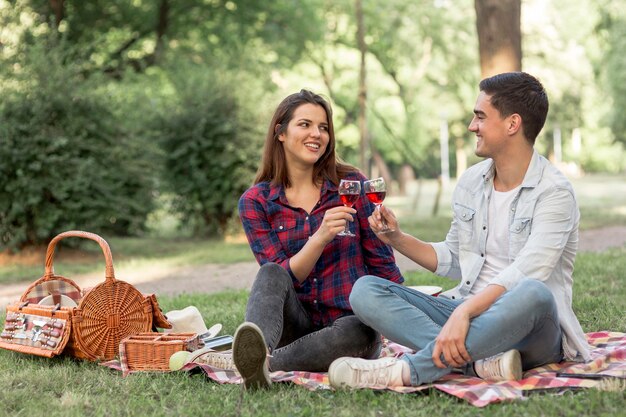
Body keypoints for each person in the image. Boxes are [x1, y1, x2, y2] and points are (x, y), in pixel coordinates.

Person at [328, 72, 591, 390]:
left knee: (534, 292)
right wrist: (396, 237)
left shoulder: (554, 192)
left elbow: (528, 272)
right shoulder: (471, 182)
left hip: (532, 327)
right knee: (365, 290)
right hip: (466, 313)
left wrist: (465, 312)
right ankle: (479, 363)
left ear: (512, 124)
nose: (471, 126)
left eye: (480, 116)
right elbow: (453, 258)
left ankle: (406, 371)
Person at [220, 89, 403, 390]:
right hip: (295, 327)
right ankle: (261, 353)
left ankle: (259, 365)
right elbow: (281, 277)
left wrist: (405, 309)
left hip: (349, 326)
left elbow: (381, 262)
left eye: (323, 127)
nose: (316, 134)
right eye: (305, 124)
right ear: (280, 132)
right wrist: (320, 237)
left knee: (356, 332)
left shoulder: (352, 184)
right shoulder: (256, 201)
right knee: (270, 272)